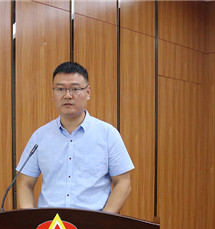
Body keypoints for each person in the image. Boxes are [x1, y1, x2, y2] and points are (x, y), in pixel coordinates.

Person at [16, 62, 134, 213]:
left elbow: (123, 183)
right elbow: (25, 183)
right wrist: (30, 219)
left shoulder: (108, 134)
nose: (67, 95)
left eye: (75, 89)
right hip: (50, 224)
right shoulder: (40, 136)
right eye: (60, 89)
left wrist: (103, 220)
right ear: (53, 94)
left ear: (88, 92)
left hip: (93, 222)